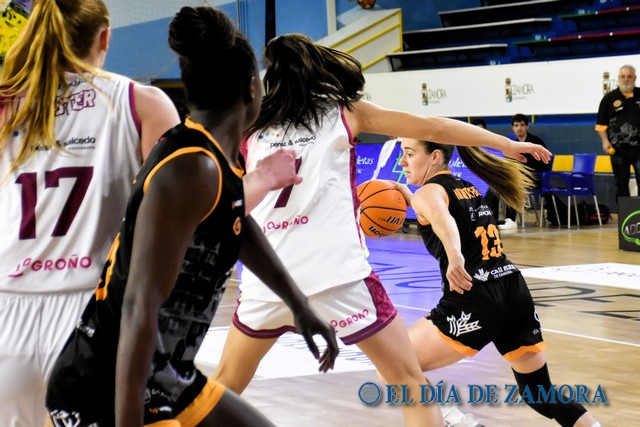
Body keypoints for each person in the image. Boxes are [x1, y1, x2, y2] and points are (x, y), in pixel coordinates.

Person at [212, 33, 551, 427]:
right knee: (408, 381)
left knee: (222, 386)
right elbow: (435, 126)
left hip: (268, 279)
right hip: (337, 276)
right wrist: (503, 145)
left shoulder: (249, 125)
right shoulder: (344, 112)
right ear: (318, 69)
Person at [45, 6, 339, 427]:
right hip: (106, 386)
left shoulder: (212, 159)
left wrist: (298, 304)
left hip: (166, 374)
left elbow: (235, 224)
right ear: (251, 89)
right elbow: (139, 306)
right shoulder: (192, 169)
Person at [0, 1, 181, 425]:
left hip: (6, 310)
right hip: (92, 312)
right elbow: (177, 220)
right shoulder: (142, 103)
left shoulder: (7, 107)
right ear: (104, 37)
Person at [394, 137, 600, 427]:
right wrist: (410, 197)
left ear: (435, 157)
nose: (402, 162)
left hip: (474, 297)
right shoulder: (467, 187)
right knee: (540, 395)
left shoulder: (428, 193)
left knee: (394, 364)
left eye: (409, 153)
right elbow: (442, 211)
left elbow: (442, 219)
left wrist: (454, 255)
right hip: (513, 289)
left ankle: (459, 422)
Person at [487, 114, 551, 230]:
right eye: (516, 125)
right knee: (496, 185)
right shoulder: (514, 144)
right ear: (512, 127)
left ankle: (511, 219)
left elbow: (544, 165)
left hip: (536, 179)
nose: (519, 128)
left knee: (512, 185)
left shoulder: (535, 142)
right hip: (520, 178)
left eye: (522, 125)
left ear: (527, 126)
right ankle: (493, 219)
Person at [596, 64, 640, 204]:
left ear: (635, 78)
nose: (626, 79)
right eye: (623, 76)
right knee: (621, 184)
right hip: (618, 150)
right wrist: (605, 141)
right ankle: (626, 215)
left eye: (629, 76)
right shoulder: (609, 98)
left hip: (639, 150)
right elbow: (600, 125)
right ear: (619, 78)